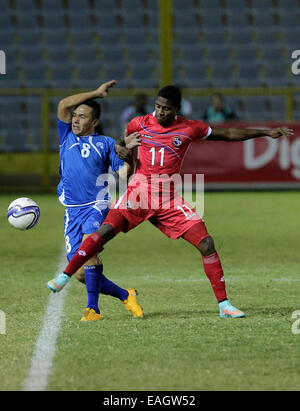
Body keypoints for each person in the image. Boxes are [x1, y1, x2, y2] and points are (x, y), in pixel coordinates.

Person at [47, 85, 293, 319]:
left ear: (177, 109)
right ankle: (65, 276)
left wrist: (265, 132)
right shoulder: (139, 122)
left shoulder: (189, 128)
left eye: (166, 108)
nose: (160, 112)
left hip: (167, 198)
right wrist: (123, 147)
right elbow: (124, 146)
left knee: (206, 243)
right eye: (157, 106)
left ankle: (224, 305)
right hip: (139, 192)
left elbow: (227, 134)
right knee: (104, 231)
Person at [47, 80, 143, 321]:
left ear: (95, 122)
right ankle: (125, 294)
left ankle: (93, 310)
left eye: (82, 116)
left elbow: (123, 173)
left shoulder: (106, 143)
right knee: (81, 273)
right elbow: (63, 104)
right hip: (72, 211)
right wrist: (96, 93)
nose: (76, 120)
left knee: (90, 248)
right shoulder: (66, 136)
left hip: (97, 205)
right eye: (75, 116)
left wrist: (127, 155)